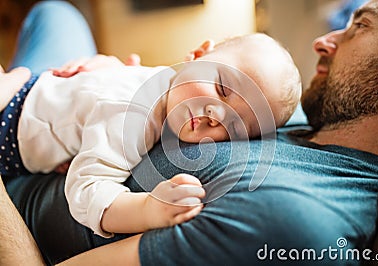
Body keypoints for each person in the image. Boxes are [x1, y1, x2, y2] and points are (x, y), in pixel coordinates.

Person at [1, 0, 378, 265]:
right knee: (57, 12)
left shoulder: (297, 222)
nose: (323, 40)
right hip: (60, 107)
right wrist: (119, 81)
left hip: (14, 169)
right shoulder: (303, 111)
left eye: (360, 26)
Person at [0, 2, 302, 238]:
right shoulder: (153, 98)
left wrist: (149, 208)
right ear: (197, 54)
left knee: (54, 13)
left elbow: (88, 189)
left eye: (234, 126)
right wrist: (115, 69)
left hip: (11, 126)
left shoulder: (136, 122)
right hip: (22, 100)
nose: (216, 114)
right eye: (223, 88)